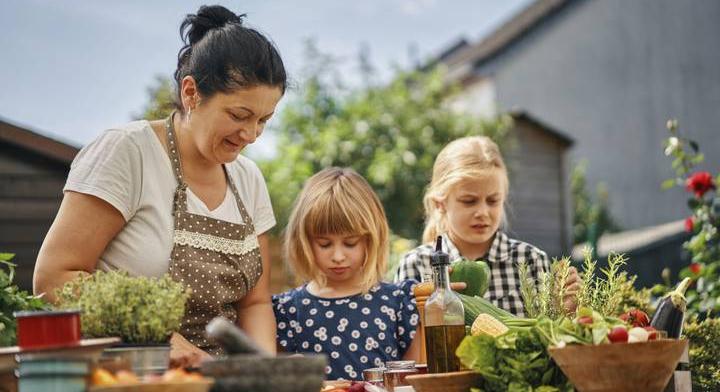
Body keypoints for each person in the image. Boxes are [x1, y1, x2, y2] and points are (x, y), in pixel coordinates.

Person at [32, 5, 286, 366]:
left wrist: (265, 375)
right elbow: (53, 279)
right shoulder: (128, 152)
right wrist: (160, 338)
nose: (251, 135)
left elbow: (255, 303)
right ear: (191, 92)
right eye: (238, 115)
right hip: (125, 376)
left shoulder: (249, 179)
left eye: (264, 120)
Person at [394, 136, 580, 316]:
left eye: (492, 201)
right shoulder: (416, 266)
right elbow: (404, 342)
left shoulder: (531, 260)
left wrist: (565, 312)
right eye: (469, 201)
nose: (482, 212)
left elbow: (551, 338)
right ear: (440, 204)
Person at [273, 167, 421, 380]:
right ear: (304, 241)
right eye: (324, 244)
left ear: (370, 238)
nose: (338, 256)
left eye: (350, 243)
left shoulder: (399, 303)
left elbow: (411, 382)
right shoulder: (287, 311)